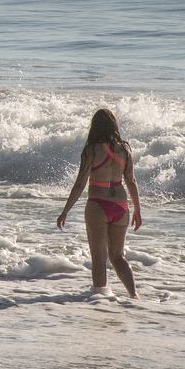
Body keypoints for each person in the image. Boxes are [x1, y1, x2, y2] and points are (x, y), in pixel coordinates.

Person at [57, 108, 141, 298]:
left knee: (99, 257)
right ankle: (134, 296)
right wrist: (137, 210)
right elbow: (131, 181)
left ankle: (100, 301)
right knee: (118, 256)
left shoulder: (92, 149)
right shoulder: (125, 149)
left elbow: (80, 184)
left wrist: (65, 211)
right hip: (121, 207)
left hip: (98, 205)